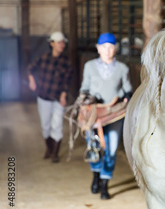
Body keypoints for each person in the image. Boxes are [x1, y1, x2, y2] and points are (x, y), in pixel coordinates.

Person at [80, 32, 132, 200]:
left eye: (111, 47)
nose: (107, 50)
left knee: (112, 148)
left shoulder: (123, 69)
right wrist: (85, 96)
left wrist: (128, 96)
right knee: (93, 146)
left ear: (115, 49)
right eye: (104, 47)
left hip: (114, 113)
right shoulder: (89, 66)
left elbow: (127, 89)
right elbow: (85, 86)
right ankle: (96, 175)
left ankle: (104, 183)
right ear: (98, 48)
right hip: (95, 112)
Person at [28, 31, 73, 163]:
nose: (62, 45)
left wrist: (63, 96)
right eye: (59, 42)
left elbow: (67, 82)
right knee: (45, 126)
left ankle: (55, 153)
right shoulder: (44, 58)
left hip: (58, 99)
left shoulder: (66, 63)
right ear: (52, 43)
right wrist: (32, 81)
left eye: (63, 42)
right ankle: (49, 148)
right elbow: (30, 68)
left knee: (57, 126)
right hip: (43, 97)